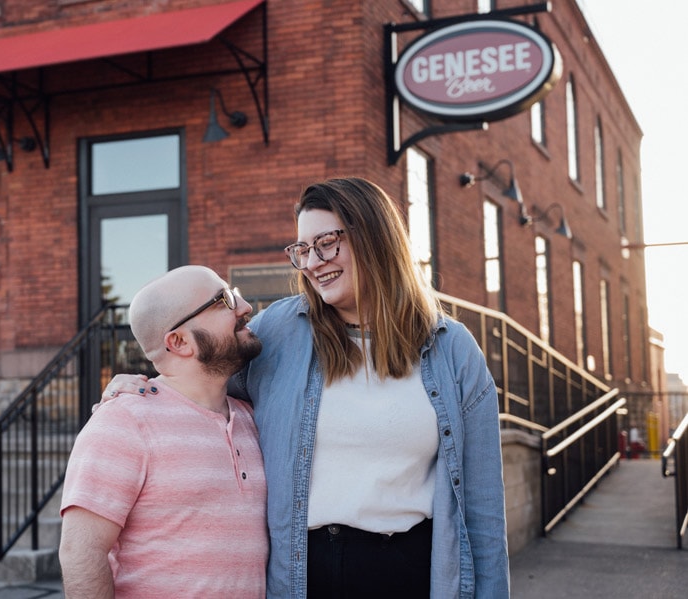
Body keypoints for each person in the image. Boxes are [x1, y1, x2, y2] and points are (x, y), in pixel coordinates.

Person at [104, 177, 510, 598]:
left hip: (409, 570)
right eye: (302, 250)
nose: (313, 262)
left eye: (327, 243)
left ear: (375, 237)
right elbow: (202, 383)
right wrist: (145, 386)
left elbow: (482, 511)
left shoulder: (451, 348)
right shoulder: (279, 333)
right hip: (303, 573)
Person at [59, 265, 268, 599]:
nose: (245, 308)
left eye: (237, 294)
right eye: (223, 300)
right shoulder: (123, 421)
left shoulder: (251, 418)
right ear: (180, 341)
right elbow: (81, 552)